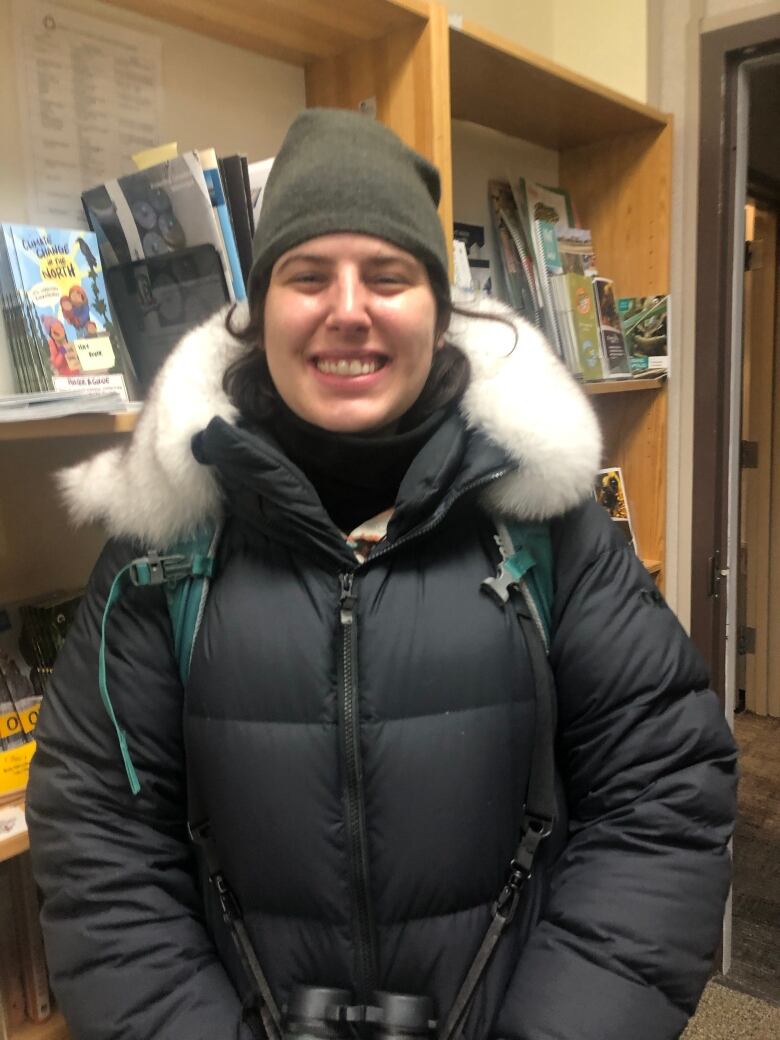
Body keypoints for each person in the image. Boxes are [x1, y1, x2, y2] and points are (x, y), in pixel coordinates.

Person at [27, 109, 737, 1040]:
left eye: (389, 276)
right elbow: (98, 842)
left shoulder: (544, 526)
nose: (347, 309)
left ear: (438, 312)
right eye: (307, 275)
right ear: (260, 309)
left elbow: (664, 797)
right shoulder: (164, 546)